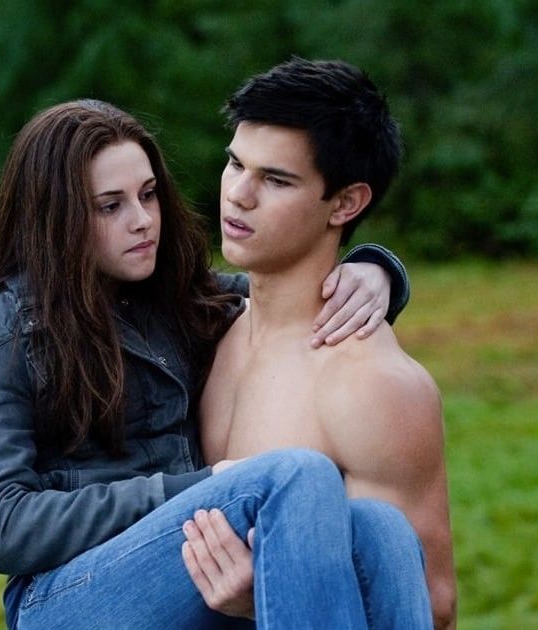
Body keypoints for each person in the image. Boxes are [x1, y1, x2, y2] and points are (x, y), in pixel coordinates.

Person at [0, 98, 430, 629]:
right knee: (296, 474)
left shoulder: (175, 298)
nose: (142, 221)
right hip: (65, 598)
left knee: (380, 530)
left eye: (148, 195)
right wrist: (192, 489)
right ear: (55, 217)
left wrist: (377, 271)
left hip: (190, 561)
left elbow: (283, 297)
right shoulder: (1, 330)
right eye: (110, 206)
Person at [185, 59, 457, 629]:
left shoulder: (372, 385)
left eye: (276, 180)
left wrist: (276, 595)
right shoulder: (210, 327)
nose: (238, 195)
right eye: (235, 164)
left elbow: (429, 606)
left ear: (346, 203)